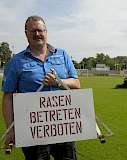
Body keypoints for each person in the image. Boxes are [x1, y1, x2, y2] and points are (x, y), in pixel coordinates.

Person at [2, 15, 80, 160]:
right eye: (32, 31)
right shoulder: (16, 62)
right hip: (32, 129)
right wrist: (10, 129)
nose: (37, 34)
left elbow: (76, 84)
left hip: (63, 126)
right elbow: (8, 97)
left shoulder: (62, 55)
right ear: (26, 34)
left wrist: (58, 81)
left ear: (46, 31)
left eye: (39, 30)